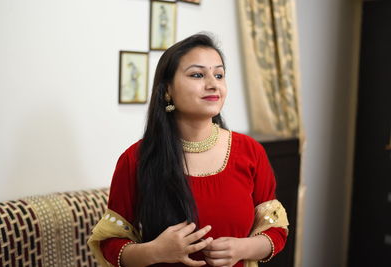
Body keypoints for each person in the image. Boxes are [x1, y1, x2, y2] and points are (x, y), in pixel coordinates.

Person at [88, 33, 289, 267]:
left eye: (219, 74)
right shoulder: (136, 158)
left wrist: (242, 248)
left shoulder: (250, 151)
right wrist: (155, 251)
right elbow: (109, 244)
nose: (213, 84)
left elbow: (275, 230)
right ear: (167, 91)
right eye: (197, 74)